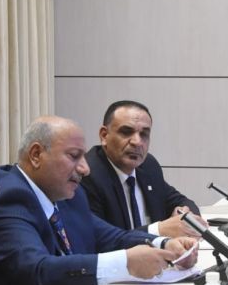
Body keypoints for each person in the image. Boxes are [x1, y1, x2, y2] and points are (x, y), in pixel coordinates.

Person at [0, 115, 198, 285]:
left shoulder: (66, 193)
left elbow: (110, 237)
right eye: (74, 156)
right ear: (36, 155)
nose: (85, 168)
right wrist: (126, 263)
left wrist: (163, 244)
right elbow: (36, 270)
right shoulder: (8, 195)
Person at [81, 100, 207, 238]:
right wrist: (158, 230)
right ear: (104, 135)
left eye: (144, 134)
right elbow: (100, 239)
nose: (137, 142)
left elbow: (180, 201)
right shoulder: (87, 175)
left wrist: (186, 214)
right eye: (126, 132)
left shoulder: (148, 166)